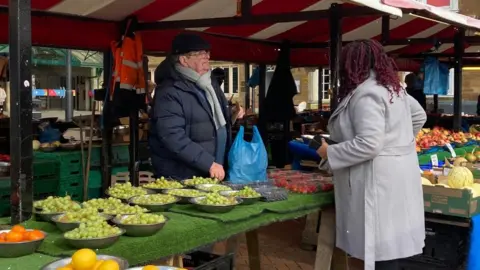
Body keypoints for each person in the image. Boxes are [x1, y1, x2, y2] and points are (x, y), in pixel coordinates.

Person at [316, 40, 426, 270]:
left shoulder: (367, 94)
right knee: (388, 244)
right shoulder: (393, 89)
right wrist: (398, 143)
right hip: (395, 177)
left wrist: (330, 151)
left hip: (376, 180)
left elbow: (370, 144)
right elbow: (419, 117)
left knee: (379, 247)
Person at [149, 33, 236, 180]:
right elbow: (172, 136)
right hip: (184, 175)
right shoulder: (169, 91)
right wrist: (208, 163)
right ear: (184, 60)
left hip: (213, 171)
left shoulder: (210, 84)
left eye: (207, 52)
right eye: (199, 53)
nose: (206, 57)